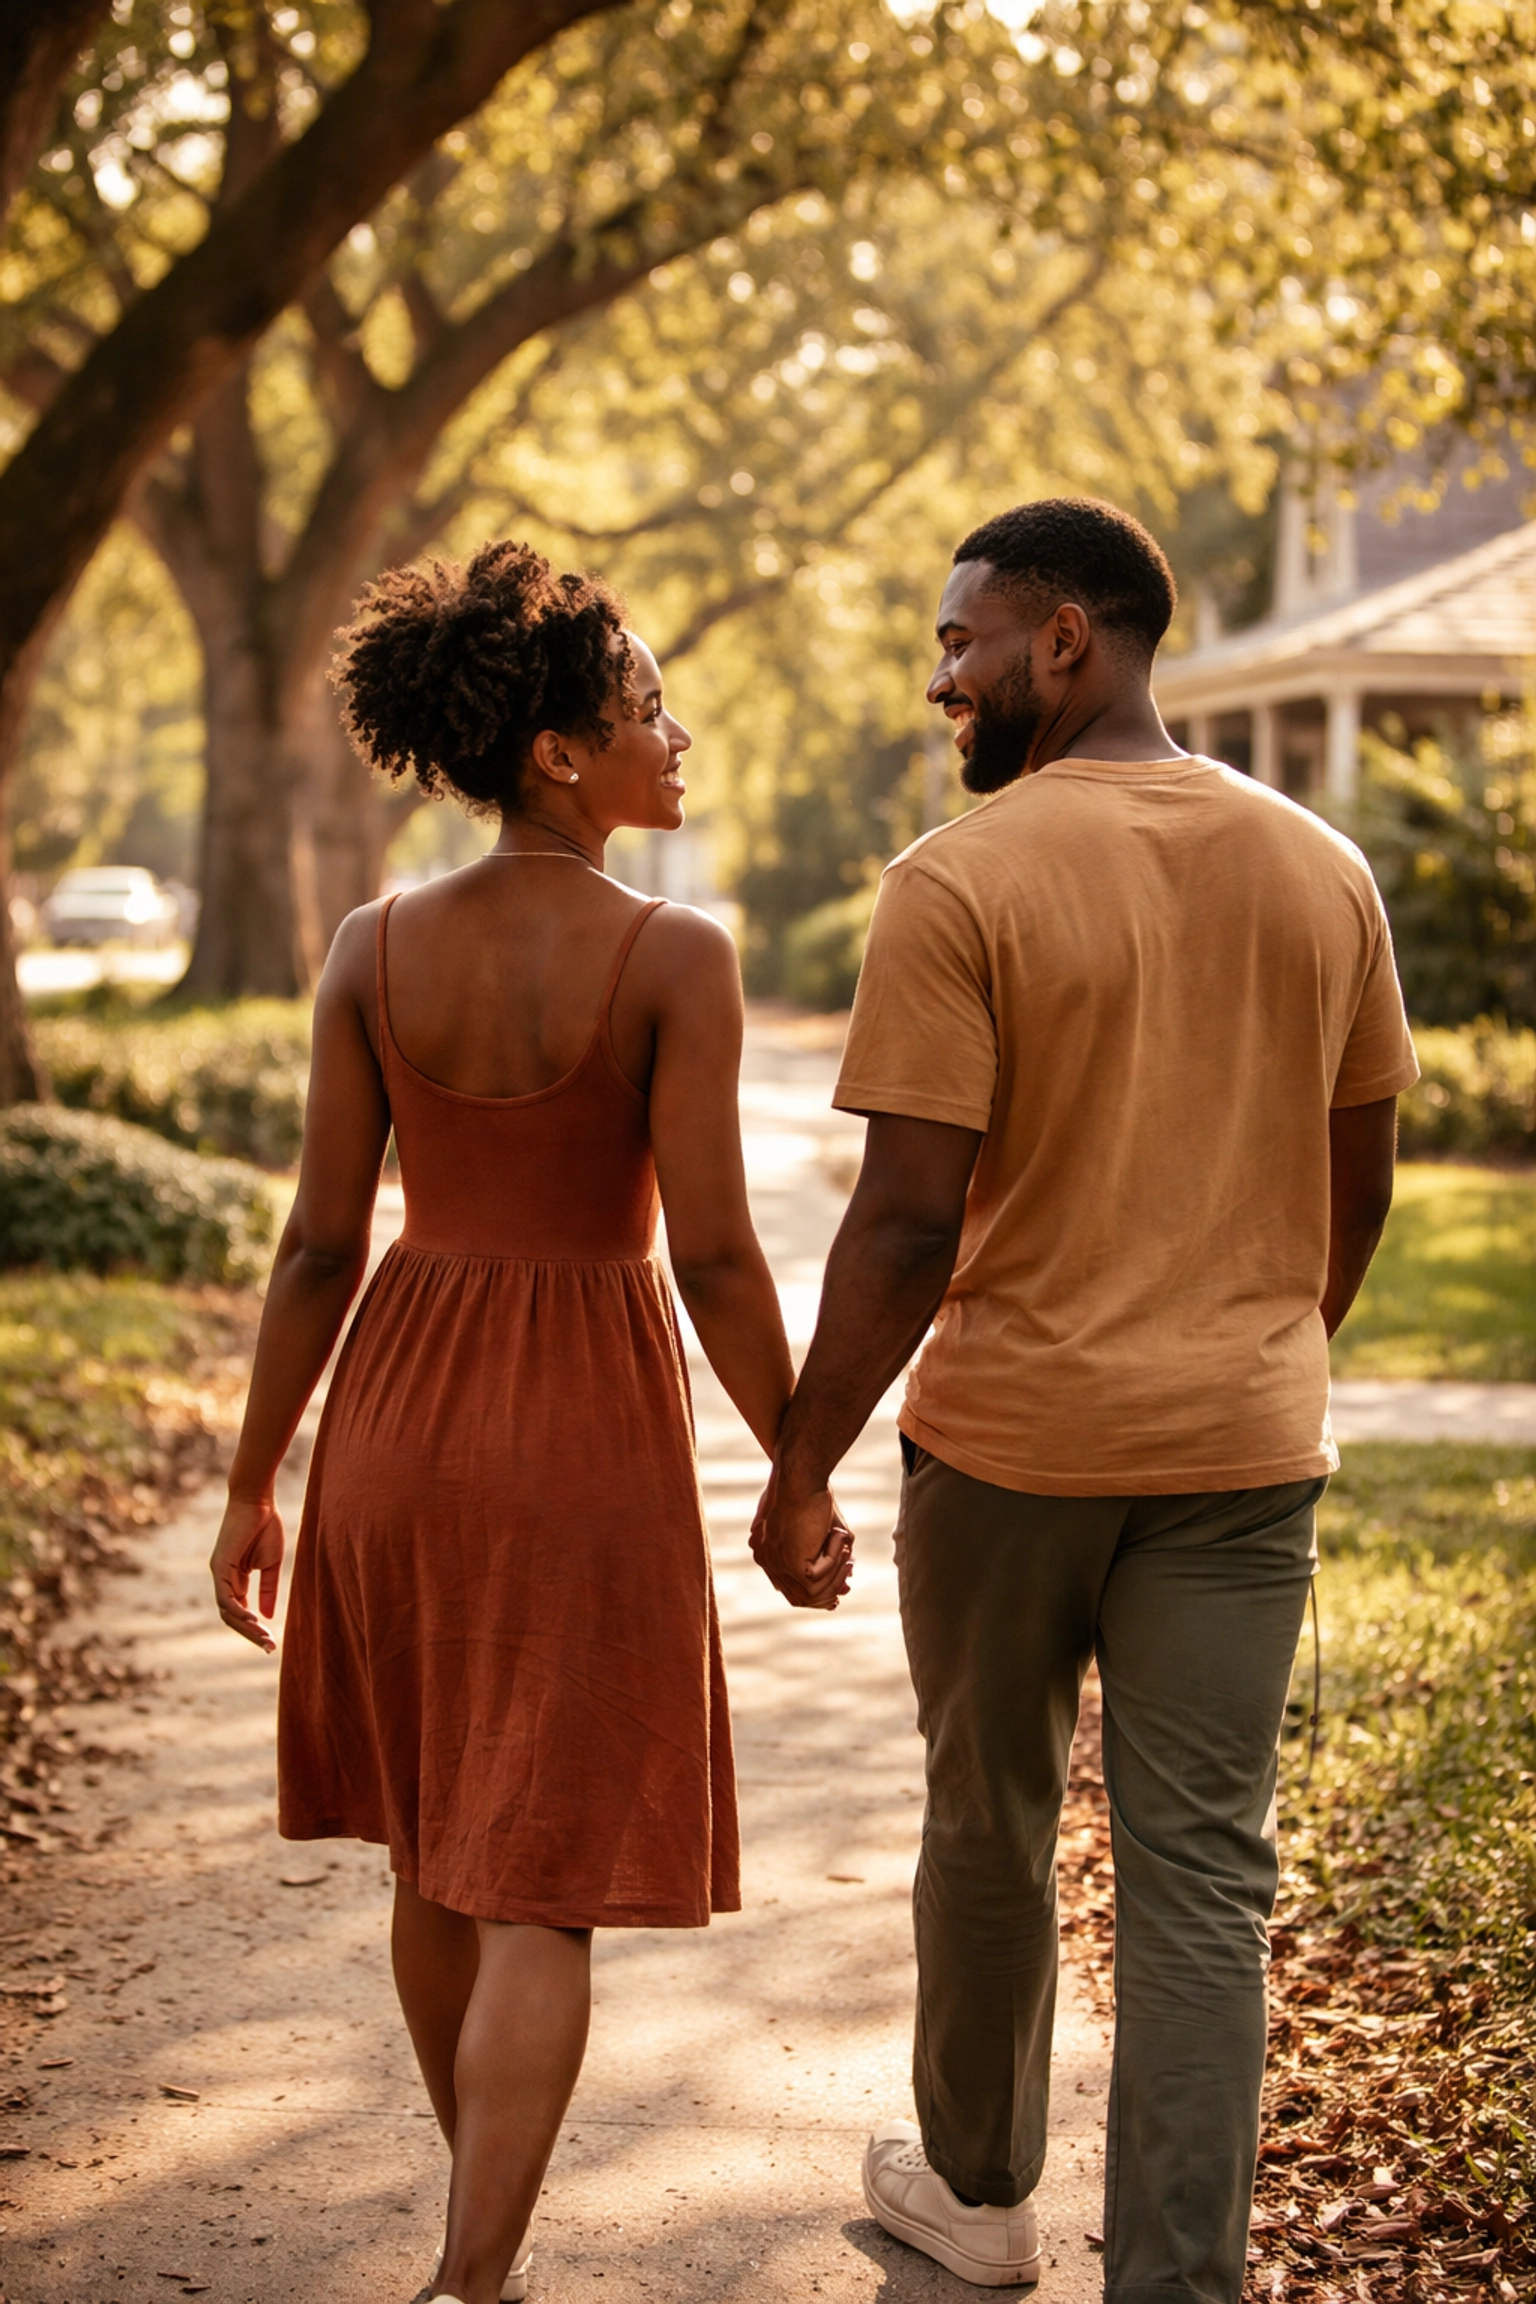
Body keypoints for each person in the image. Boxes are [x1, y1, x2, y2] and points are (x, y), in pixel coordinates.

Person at [752, 497, 1418, 2298]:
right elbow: (1357, 1180)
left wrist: (798, 1463)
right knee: (1207, 1881)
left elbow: (901, 1229)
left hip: (1014, 1447)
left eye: (963, 642)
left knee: (990, 1820)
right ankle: (1178, 2282)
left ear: (1068, 639)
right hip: (1242, 1454)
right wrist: (1268, 1334)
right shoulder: (1320, 868)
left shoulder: (956, 883)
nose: (943, 680)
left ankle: (974, 2197)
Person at [209, 542, 850, 2304]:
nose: (677, 732)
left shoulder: (369, 945)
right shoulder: (672, 956)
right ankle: (473, 2282)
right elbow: (714, 1254)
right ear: (559, 752)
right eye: (648, 705)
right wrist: (795, 1465)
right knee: (543, 1874)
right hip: (580, 1415)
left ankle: (474, 2247)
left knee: (436, 1842)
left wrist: (258, 1478)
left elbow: (322, 1242)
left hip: (398, 1414)